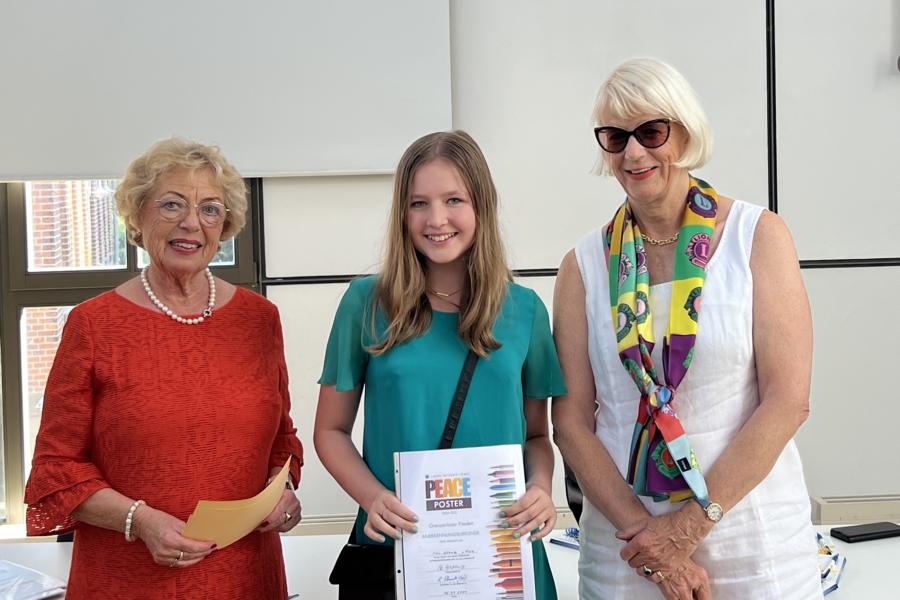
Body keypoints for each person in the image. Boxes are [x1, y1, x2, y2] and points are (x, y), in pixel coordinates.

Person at [551, 58, 823, 599]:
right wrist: (653, 546)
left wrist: (686, 530)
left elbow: (788, 399)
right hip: (627, 551)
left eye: (651, 131)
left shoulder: (758, 238)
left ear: (685, 131)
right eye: (615, 136)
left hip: (753, 543)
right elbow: (573, 423)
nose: (633, 153)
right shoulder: (581, 267)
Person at [24, 138, 304, 599]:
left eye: (210, 209)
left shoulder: (259, 320)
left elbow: (281, 441)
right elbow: (57, 469)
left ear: (225, 225)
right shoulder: (92, 325)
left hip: (246, 578)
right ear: (138, 216)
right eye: (171, 204)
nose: (191, 222)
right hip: (127, 580)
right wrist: (141, 521)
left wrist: (286, 492)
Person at [314, 130, 566, 599]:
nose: (436, 219)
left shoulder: (524, 310)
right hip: (397, 550)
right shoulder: (365, 302)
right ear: (402, 213)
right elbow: (329, 432)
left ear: (481, 207)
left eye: (454, 199)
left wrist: (542, 489)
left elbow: (536, 435)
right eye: (418, 204)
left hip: (501, 555)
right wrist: (372, 498)